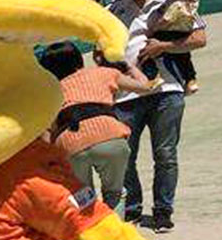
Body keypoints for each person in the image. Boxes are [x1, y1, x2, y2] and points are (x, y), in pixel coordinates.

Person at [109, 0, 207, 233]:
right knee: (123, 155)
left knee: (165, 155)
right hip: (127, 95)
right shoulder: (114, 9)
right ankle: (132, 208)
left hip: (167, 91)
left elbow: (199, 38)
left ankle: (163, 211)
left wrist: (163, 47)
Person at [37, 42, 154, 214]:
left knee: (84, 200)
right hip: (109, 136)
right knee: (115, 193)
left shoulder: (49, 92)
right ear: (79, 60)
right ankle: (115, 236)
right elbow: (146, 86)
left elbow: (45, 133)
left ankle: (91, 236)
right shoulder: (104, 73)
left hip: (69, 143)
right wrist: (127, 65)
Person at [142, 0, 201, 94]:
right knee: (184, 56)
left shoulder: (176, 5)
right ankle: (191, 79)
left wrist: (151, 31)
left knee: (146, 50)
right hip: (183, 31)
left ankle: (153, 75)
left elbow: (164, 21)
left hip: (169, 32)